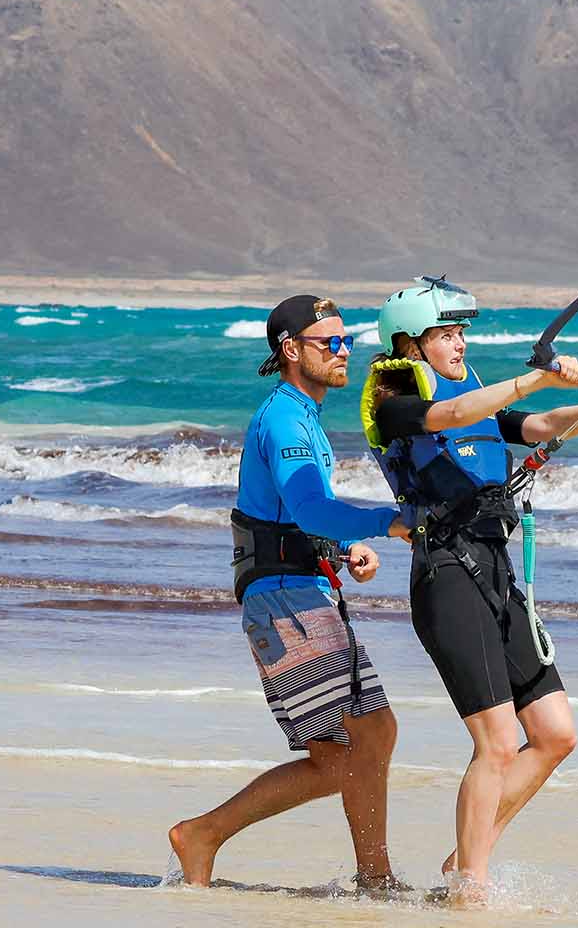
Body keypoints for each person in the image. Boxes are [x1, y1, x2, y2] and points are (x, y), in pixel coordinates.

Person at [358, 276, 578, 900]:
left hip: (495, 571)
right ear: (411, 344)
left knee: (555, 734)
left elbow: (543, 423)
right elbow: (452, 416)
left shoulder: (481, 398)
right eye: (444, 334)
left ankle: (463, 859)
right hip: (445, 575)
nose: (459, 344)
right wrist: (537, 376)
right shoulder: (395, 402)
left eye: (461, 332)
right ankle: (472, 886)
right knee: (494, 742)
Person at [170, 294, 408, 890]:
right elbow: (308, 506)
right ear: (291, 349)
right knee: (364, 736)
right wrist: (391, 520)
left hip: (293, 589)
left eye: (347, 339)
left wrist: (340, 547)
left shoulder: (302, 414)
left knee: (355, 744)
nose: (345, 350)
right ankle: (368, 877)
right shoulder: (283, 418)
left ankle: (209, 834)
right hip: (282, 599)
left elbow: (290, 517)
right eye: (331, 342)